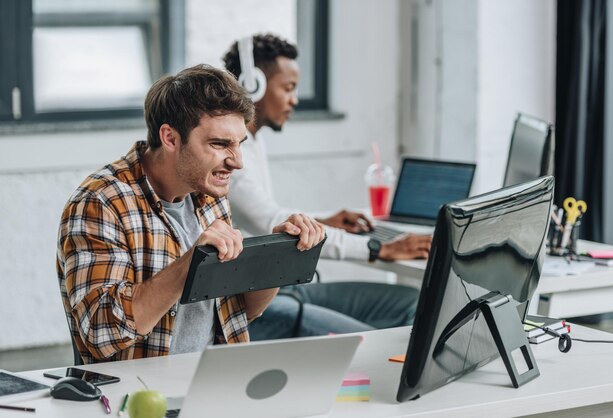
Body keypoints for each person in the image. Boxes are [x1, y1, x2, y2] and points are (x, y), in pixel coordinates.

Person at [56, 65, 325, 364]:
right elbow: (99, 333)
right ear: (170, 138)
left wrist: (279, 256)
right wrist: (189, 263)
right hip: (136, 401)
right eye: (219, 144)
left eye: (239, 145)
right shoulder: (101, 203)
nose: (237, 162)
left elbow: (232, 313)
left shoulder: (209, 195)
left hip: (213, 385)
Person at [223, 34, 432, 340]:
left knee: (412, 304)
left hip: (282, 291)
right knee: (380, 341)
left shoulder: (254, 140)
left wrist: (323, 220)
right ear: (253, 85)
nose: (294, 99)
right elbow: (273, 226)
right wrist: (379, 248)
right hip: (256, 306)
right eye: (288, 88)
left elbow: (273, 219)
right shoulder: (231, 160)